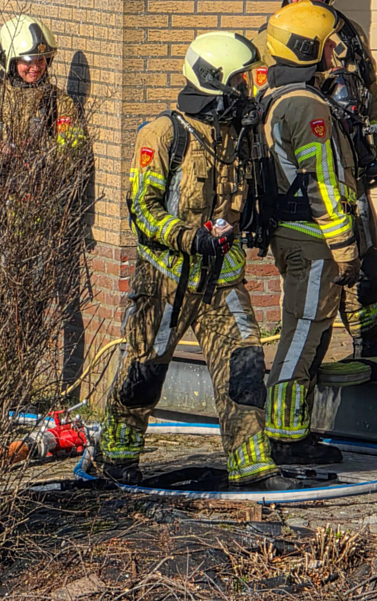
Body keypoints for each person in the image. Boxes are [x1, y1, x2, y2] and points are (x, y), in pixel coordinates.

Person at [98, 32, 297, 491]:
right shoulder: (163, 134)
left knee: (245, 366)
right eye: (240, 82)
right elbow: (142, 210)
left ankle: (252, 466)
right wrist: (189, 239)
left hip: (223, 284)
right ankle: (116, 456)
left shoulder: (238, 137)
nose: (248, 91)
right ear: (213, 82)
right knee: (145, 371)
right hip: (167, 281)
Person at [253, 0, 377, 359]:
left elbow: (370, 90)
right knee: (325, 263)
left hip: (351, 161)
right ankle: (312, 349)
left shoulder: (349, 35)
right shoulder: (271, 35)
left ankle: (368, 341)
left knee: (366, 257)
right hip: (309, 170)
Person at [0, 14, 87, 385]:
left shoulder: (61, 105)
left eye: (41, 60)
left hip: (34, 217)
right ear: (9, 60)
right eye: (27, 60)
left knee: (27, 302)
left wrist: (40, 160)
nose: (34, 67)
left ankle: (16, 380)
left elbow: (73, 151)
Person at [261, 0, 360, 465]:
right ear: (309, 48)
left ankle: (294, 429)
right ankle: (285, 438)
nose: (333, 55)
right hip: (312, 236)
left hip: (295, 232)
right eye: (327, 46)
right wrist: (345, 246)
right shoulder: (304, 105)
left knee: (309, 328)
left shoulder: (277, 94)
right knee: (303, 331)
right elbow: (323, 181)